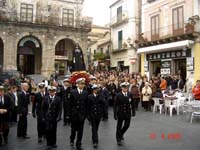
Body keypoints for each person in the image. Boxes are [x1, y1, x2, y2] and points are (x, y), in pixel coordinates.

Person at [69, 78, 88, 150]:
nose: (82, 85)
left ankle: (78, 143)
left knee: (80, 130)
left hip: (82, 114)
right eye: (81, 83)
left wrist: (86, 114)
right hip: (74, 114)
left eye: (83, 84)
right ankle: (72, 139)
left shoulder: (85, 93)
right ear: (77, 84)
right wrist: (69, 115)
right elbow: (70, 104)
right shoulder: (73, 92)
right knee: (73, 129)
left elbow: (86, 104)